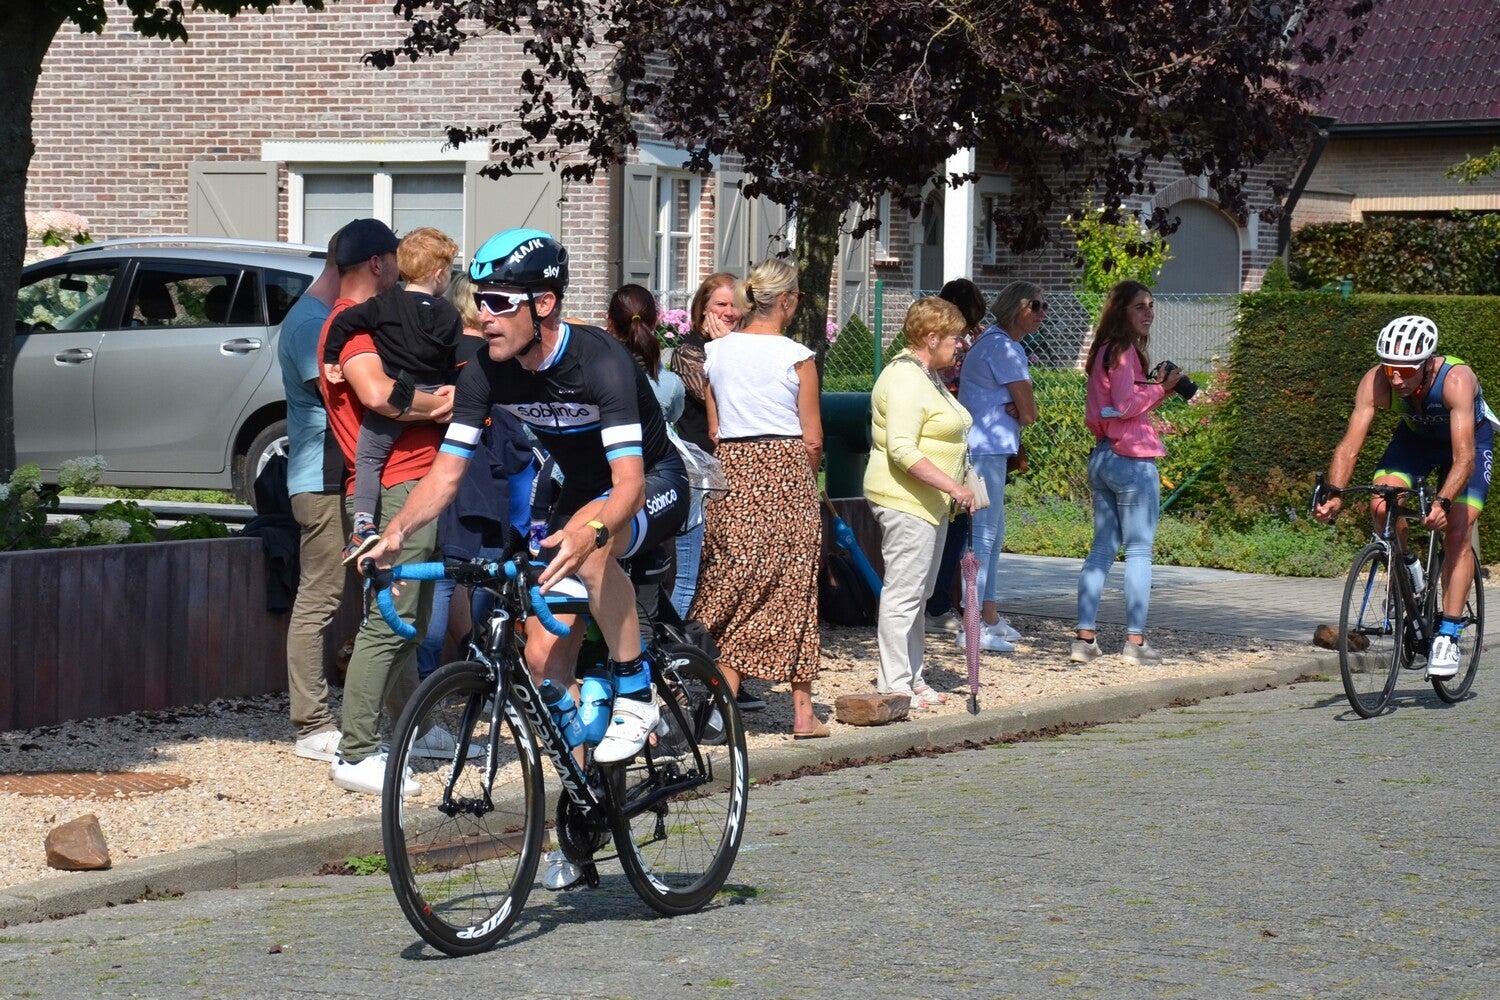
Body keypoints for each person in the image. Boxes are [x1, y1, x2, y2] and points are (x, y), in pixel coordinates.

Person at [362, 228, 690, 767]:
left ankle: (636, 694)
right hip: (580, 491)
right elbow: (445, 475)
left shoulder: (601, 362)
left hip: (653, 482)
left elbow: (629, 484)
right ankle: (585, 797)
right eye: (479, 299)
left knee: (593, 546)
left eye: (498, 302)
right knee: (542, 660)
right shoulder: (486, 372)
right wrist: (395, 533)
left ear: (544, 304)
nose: (483, 315)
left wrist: (592, 533)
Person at [319, 218, 458, 795]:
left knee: (412, 624)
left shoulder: (385, 320)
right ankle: (355, 752)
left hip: (414, 482)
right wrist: (441, 403)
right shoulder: (356, 327)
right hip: (395, 487)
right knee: (388, 624)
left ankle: (410, 728)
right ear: (381, 263)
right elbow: (378, 396)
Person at [1313, 314, 1496, 677]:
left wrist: (1443, 502)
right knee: (1381, 504)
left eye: (1406, 370)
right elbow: (1349, 446)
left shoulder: (1457, 379)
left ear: (1427, 364)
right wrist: (1334, 493)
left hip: (1469, 445)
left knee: (1457, 530)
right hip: (1416, 442)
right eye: (1389, 367)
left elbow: (1464, 457)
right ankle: (1408, 565)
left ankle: (1448, 634)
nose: (1396, 378)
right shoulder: (1376, 381)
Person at [689, 258, 826, 738]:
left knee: (732, 580)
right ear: (785, 300)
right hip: (786, 469)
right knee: (794, 586)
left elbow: (714, 429)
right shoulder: (797, 356)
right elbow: (813, 438)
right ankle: (803, 713)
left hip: (732, 470)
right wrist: (802, 482)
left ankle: (717, 701)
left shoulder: (716, 353)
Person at [415, 274, 534, 679]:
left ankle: (430, 684)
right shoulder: (499, 361)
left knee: (443, 581)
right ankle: (485, 674)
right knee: (488, 582)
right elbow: (517, 441)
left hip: (447, 477)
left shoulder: (438, 358)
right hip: (493, 482)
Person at [322, 226, 464, 563]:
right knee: (402, 591)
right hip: (403, 478)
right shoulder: (449, 314)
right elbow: (378, 396)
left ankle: (363, 525)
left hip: (406, 457)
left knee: (367, 458)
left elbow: (345, 327)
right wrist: (449, 401)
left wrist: (331, 358)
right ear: (439, 274)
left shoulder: (379, 308)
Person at [865, 297, 976, 706]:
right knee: (903, 593)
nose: (960, 345)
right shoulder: (906, 379)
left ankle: (912, 677)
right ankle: (894, 683)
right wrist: (954, 487)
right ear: (931, 338)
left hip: (929, 503)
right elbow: (901, 449)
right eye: (954, 338)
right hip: (905, 500)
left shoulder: (926, 375)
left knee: (919, 593)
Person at [1072, 280, 1182, 666]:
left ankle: (1084, 639)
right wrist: (1162, 389)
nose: (1149, 312)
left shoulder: (1103, 350)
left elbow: (1111, 410)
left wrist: (1159, 392)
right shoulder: (1122, 351)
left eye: (1151, 305)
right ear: (1121, 311)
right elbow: (1125, 405)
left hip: (1104, 456)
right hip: (1132, 462)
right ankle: (1135, 642)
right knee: (1138, 551)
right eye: (1140, 306)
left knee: (1102, 548)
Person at [277, 229, 347, 762]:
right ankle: (311, 725)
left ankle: (409, 718)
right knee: (318, 600)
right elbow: (345, 394)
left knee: (384, 595)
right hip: (321, 481)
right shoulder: (310, 323)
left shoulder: (319, 318)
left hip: (334, 478)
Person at [954, 280, 1044, 652]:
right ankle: (972, 624)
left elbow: (1021, 408)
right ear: (1016, 307)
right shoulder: (1005, 348)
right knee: (984, 536)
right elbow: (1030, 412)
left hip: (985, 449)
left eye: (1044, 306)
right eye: (1036, 305)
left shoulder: (990, 342)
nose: (1042, 313)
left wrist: (1015, 407)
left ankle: (987, 616)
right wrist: (1018, 409)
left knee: (992, 533)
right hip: (987, 450)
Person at [669, 272, 740, 622]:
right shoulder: (690, 351)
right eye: (721, 304)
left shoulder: (742, 347)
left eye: (736, 305)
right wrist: (725, 348)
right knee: (694, 567)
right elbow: (729, 398)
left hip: (736, 464)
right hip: (702, 472)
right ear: (702, 309)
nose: (730, 312)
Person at [920, 278, 986, 637]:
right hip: (952, 447)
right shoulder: (962, 349)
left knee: (952, 526)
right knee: (955, 527)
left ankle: (941, 600)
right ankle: (938, 603)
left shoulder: (948, 345)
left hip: (948, 444)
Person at [605, 284, 686, 426]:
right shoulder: (670, 384)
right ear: (655, 322)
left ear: (609, 321)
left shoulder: (591, 375)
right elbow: (673, 417)